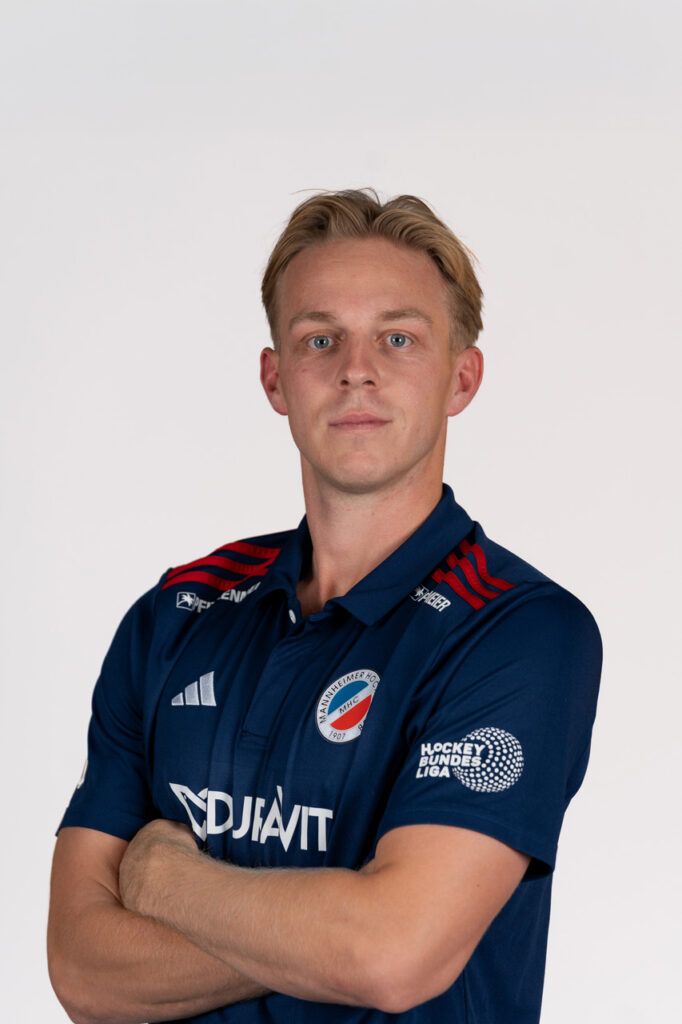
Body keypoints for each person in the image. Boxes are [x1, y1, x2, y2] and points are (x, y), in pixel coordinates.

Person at [47, 187, 603, 1024]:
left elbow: (392, 954)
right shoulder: (175, 614)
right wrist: (337, 918)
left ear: (461, 378)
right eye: (319, 338)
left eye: (398, 338)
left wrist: (164, 880)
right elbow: (84, 971)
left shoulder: (519, 631)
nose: (356, 369)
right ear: (275, 378)